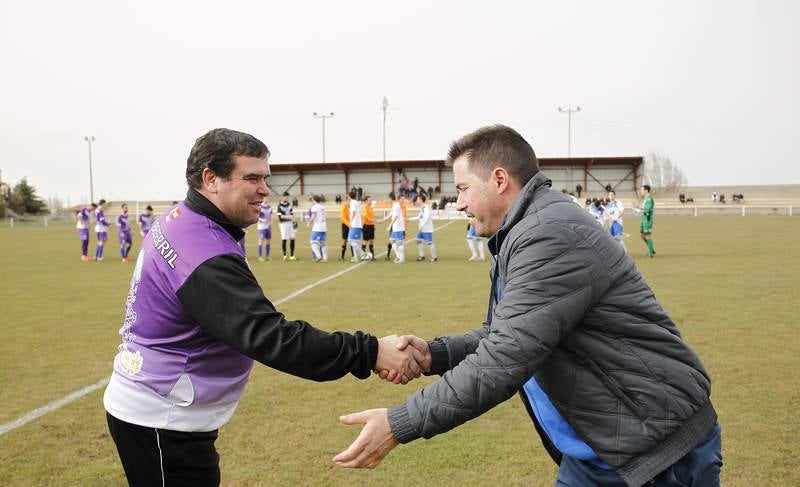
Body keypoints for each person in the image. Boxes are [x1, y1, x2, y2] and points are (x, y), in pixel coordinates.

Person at [334, 125, 721, 487]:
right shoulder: (527, 229)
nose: (459, 203)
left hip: (654, 447)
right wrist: (434, 354)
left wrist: (400, 422)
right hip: (604, 449)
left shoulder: (548, 234)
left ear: (499, 180)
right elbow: (506, 333)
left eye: (464, 188)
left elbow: (505, 357)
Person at [102, 128, 423, 487]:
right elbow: (271, 337)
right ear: (211, 179)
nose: (264, 189)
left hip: (167, 408)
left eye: (265, 178)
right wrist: (371, 351)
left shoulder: (190, 222)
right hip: (162, 417)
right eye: (252, 178)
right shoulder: (201, 248)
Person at [412, 194, 437, 262]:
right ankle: (421, 256)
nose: (417, 200)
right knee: (418, 239)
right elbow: (419, 217)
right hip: (422, 229)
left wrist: (422, 225)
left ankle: (434, 257)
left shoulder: (426, 207)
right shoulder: (421, 208)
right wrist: (409, 219)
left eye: (418, 199)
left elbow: (427, 217)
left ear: (421, 200)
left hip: (427, 228)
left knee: (430, 242)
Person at [307, 194, 328, 262]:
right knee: (323, 243)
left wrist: (309, 224)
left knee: (313, 242)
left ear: (314, 200)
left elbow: (313, 217)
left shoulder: (314, 207)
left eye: (312, 200)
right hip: (323, 227)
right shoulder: (323, 207)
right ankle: (325, 258)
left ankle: (318, 256)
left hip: (317, 227)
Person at [386, 192, 406, 263]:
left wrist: (389, 225)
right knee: (392, 241)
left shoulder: (396, 206)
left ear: (390, 198)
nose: (388, 200)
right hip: (396, 227)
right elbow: (391, 214)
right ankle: (398, 256)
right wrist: (382, 220)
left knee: (400, 243)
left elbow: (396, 216)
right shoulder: (395, 205)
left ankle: (402, 258)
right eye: (402, 199)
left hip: (398, 227)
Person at [277, 192, 296, 260]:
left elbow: (292, 214)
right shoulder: (279, 205)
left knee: (292, 238)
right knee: (284, 238)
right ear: (283, 197)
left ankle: (292, 255)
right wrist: (289, 217)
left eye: (287, 197)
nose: (287, 198)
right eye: (285, 197)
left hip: (290, 223)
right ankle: (284, 255)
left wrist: (294, 222)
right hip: (283, 224)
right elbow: (280, 217)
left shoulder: (289, 204)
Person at [347, 190, 365, 262]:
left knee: (350, 241)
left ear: (349, 196)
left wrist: (350, 222)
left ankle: (363, 253)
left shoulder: (352, 203)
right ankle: (355, 257)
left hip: (355, 224)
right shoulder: (357, 203)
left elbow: (354, 212)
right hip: (358, 224)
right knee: (355, 242)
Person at [640, 184, 656, 258]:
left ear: (646, 190)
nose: (641, 191)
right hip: (644, 219)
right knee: (642, 235)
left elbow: (647, 210)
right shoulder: (645, 198)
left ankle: (650, 254)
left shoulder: (649, 199)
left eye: (642, 190)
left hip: (648, 219)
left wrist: (639, 210)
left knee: (647, 235)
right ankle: (651, 249)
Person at [361, 195, 376, 260]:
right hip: (366, 226)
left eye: (371, 200)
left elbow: (372, 217)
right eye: (370, 200)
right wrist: (377, 221)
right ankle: (363, 255)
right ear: (366, 201)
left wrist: (374, 224)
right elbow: (367, 218)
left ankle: (372, 256)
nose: (371, 201)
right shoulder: (364, 208)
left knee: (371, 241)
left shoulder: (371, 208)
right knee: (365, 241)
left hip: (371, 226)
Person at [339, 197, 351, 261]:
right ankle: (342, 256)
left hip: (352, 225)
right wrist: (348, 224)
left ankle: (353, 256)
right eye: (348, 200)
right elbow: (343, 217)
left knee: (352, 240)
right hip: (345, 225)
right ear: (346, 200)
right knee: (345, 240)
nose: (350, 201)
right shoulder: (344, 206)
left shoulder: (352, 206)